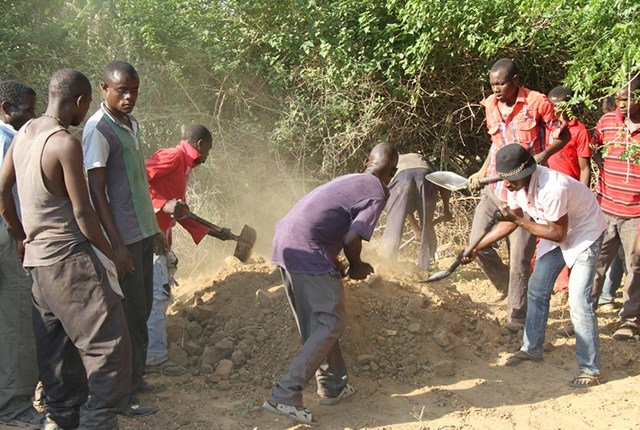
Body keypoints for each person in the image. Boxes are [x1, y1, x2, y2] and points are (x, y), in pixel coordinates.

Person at [0, 69, 132, 429]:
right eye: (86, 104)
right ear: (81, 101)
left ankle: (62, 419)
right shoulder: (64, 144)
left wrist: (21, 235)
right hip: (71, 262)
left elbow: (1, 191)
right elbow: (82, 212)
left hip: (39, 269)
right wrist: (112, 254)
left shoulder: (24, 133)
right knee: (110, 348)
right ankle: (97, 421)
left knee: (57, 352)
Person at [263, 143, 398, 425]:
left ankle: (332, 385)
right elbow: (351, 238)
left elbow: (328, 221)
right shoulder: (378, 190)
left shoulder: (349, 179)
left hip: (285, 244)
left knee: (319, 324)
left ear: (366, 161)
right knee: (330, 323)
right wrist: (358, 266)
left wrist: (333, 258)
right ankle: (285, 394)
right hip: (308, 249)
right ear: (393, 172)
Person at [462, 144, 606, 387]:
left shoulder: (553, 188)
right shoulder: (514, 183)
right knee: (536, 289)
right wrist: (476, 246)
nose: (507, 185)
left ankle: (591, 369)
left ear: (528, 171)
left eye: (512, 180)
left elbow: (556, 233)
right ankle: (532, 348)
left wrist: (518, 220)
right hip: (556, 230)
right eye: (505, 180)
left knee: (579, 302)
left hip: (584, 234)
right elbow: (510, 222)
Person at [82, 60, 164, 415]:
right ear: (104, 89)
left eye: (134, 90)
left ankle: (137, 379)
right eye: (122, 90)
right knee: (128, 313)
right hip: (124, 238)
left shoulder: (130, 123)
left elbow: (136, 183)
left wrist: (155, 228)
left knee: (142, 307)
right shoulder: (98, 130)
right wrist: (115, 246)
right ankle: (123, 395)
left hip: (143, 230)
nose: (129, 97)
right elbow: (97, 191)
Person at [467, 58, 568, 331]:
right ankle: (507, 287)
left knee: (520, 259)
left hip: (525, 193)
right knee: (477, 244)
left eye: (500, 84)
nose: (496, 89)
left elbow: (562, 135)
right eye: (492, 85)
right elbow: (495, 143)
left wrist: (541, 157)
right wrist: (481, 172)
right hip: (495, 188)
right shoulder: (490, 105)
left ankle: (516, 315)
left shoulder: (537, 102)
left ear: (515, 81)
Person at [144, 124, 230, 375]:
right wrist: (163, 204)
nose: (207, 157)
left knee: (158, 296)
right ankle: (154, 359)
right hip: (148, 238)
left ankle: (149, 352)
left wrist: (216, 232)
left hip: (159, 239)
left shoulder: (183, 166)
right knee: (157, 297)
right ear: (200, 144)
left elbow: (181, 213)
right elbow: (135, 182)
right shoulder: (172, 156)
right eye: (208, 151)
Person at [0, 80, 43, 427]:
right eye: (26, 110)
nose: (31, 116)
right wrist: (18, 235)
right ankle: (14, 407)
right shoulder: (12, 143)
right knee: (17, 323)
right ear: (5, 107)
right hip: (8, 242)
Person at [590, 74, 640, 340]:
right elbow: (592, 147)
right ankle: (586, 311)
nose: (621, 104)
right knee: (595, 261)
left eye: (627, 99)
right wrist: (604, 168)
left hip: (636, 214)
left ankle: (630, 319)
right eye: (618, 99)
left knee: (635, 266)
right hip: (606, 208)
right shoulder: (607, 122)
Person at [543, 86, 593, 296]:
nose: (556, 110)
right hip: (546, 190)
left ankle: (564, 285)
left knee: (566, 238)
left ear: (570, 105)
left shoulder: (578, 130)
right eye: (552, 105)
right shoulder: (547, 126)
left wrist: (582, 196)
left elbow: (584, 168)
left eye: (560, 105)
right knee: (545, 235)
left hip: (569, 192)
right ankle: (544, 280)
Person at [380, 153, 451, 271]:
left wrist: (415, 227)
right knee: (427, 225)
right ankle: (427, 266)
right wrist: (446, 210)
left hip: (401, 177)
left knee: (394, 224)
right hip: (425, 174)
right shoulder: (422, 159)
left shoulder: (394, 162)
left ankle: (386, 265)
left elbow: (402, 208)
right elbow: (443, 185)